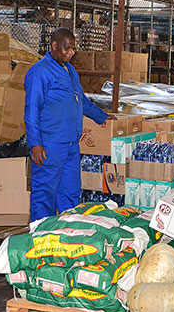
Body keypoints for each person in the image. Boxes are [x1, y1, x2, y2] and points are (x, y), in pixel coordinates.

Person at [23, 28, 110, 221]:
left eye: (73, 49)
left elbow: (81, 101)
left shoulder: (70, 70)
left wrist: (102, 117)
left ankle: (67, 231)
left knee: (70, 193)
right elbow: (32, 109)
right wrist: (35, 143)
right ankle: (40, 232)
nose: (71, 52)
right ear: (54, 46)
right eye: (67, 48)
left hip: (71, 144)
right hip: (50, 145)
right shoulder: (39, 72)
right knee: (45, 194)